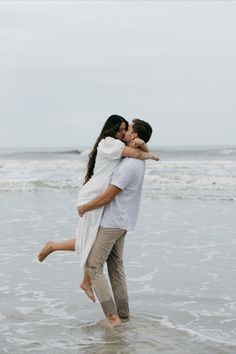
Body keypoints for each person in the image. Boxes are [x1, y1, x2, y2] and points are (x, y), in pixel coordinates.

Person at [38, 115, 159, 303]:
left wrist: (143, 146)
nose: (122, 132)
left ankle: (63, 256)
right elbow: (136, 154)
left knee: (89, 239)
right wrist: (150, 154)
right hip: (93, 197)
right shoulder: (109, 143)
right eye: (120, 129)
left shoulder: (121, 148)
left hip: (99, 198)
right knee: (89, 239)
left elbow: (135, 152)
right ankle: (61, 255)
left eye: (125, 129)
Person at [77, 118, 155, 327]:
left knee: (93, 267)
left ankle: (112, 318)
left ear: (134, 136)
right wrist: (146, 149)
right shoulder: (138, 162)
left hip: (112, 222)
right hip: (124, 222)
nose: (123, 132)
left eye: (127, 129)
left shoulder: (127, 166)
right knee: (116, 267)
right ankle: (124, 314)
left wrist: (84, 207)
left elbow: (107, 197)